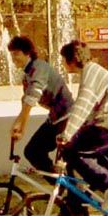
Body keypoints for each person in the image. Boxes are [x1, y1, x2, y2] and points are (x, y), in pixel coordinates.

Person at [56, 40, 108, 216]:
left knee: (74, 153)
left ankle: (103, 188)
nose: (63, 65)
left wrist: (67, 134)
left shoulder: (90, 76)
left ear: (71, 60)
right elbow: (85, 110)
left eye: (64, 60)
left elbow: (83, 105)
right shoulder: (92, 71)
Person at [8, 36, 74, 178]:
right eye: (12, 54)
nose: (13, 58)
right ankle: (61, 187)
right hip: (55, 118)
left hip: (68, 118)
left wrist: (22, 126)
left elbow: (32, 96)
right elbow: (26, 100)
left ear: (28, 53)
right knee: (32, 151)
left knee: (67, 159)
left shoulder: (39, 67)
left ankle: (70, 193)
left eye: (16, 53)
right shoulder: (28, 72)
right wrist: (18, 123)